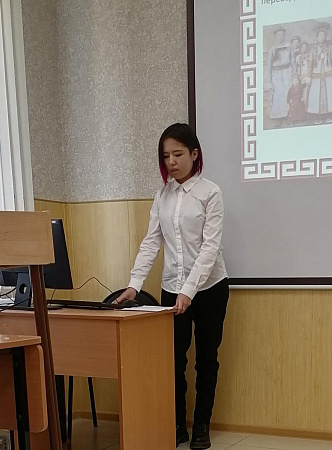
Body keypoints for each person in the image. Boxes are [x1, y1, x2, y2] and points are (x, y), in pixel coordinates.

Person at [114, 123, 229, 449]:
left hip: (209, 288)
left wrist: (188, 291)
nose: (171, 162)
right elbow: (152, 242)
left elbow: (210, 248)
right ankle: (177, 424)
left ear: (194, 154)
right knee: (174, 361)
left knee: (206, 359)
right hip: (171, 288)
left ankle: (201, 427)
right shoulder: (162, 196)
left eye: (178, 154)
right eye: (166, 156)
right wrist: (134, 284)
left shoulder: (211, 193)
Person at [306, 23, 332, 119]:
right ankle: (318, 117)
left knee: (330, 94)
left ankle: (329, 115)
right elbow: (310, 63)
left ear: (326, 36)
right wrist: (308, 76)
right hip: (316, 75)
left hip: (328, 74)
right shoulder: (313, 49)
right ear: (317, 37)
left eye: (323, 35)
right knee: (316, 95)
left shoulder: (330, 47)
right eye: (320, 35)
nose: (322, 37)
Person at [266, 26, 294, 121]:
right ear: (275, 36)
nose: (280, 37)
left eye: (282, 34)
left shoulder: (289, 46)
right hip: (276, 74)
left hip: (287, 72)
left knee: (287, 92)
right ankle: (278, 116)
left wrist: (294, 74)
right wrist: (269, 80)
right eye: (278, 35)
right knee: (278, 94)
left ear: (284, 35)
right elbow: (269, 66)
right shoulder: (272, 49)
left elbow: (293, 60)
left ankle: (289, 115)